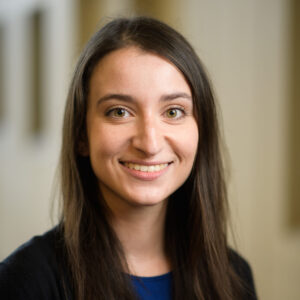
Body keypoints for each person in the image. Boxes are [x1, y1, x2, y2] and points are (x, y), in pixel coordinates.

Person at [0, 17, 257, 300]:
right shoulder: (23, 282)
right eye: (119, 112)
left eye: (173, 111)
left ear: (201, 131)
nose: (149, 143)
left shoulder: (235, 275)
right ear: (81, 135)